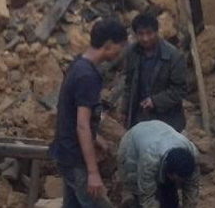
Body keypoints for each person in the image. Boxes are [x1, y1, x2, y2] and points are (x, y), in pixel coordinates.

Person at [50, 18, 129, 208]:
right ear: (109, 44)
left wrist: (96, 138)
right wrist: (93, 172)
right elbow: (82, 124)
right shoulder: (88, 77)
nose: (121, 51)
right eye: (120, 46)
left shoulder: (79, 64)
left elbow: (70, 112)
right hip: (75, 158)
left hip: (65, 152)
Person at [121, 11, 189, 132]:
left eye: (149, 33)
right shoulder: (132, 53)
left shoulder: (173, 56)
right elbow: (129, 83)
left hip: (167, 120)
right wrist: (125, 111)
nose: (145, 38)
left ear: (156, 32)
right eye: (141, 34)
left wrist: (155, 101)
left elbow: (180, 90)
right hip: (140, 117)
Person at [117, 120, 201, 208]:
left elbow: (192, 188)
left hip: (160, 132)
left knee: (169, 193)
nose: (180, 183)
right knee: (137, 194)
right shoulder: (149, 159)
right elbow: (147, 198)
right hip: (132, 145)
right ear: (169, 172)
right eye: (177, 179)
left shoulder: (192, 154)